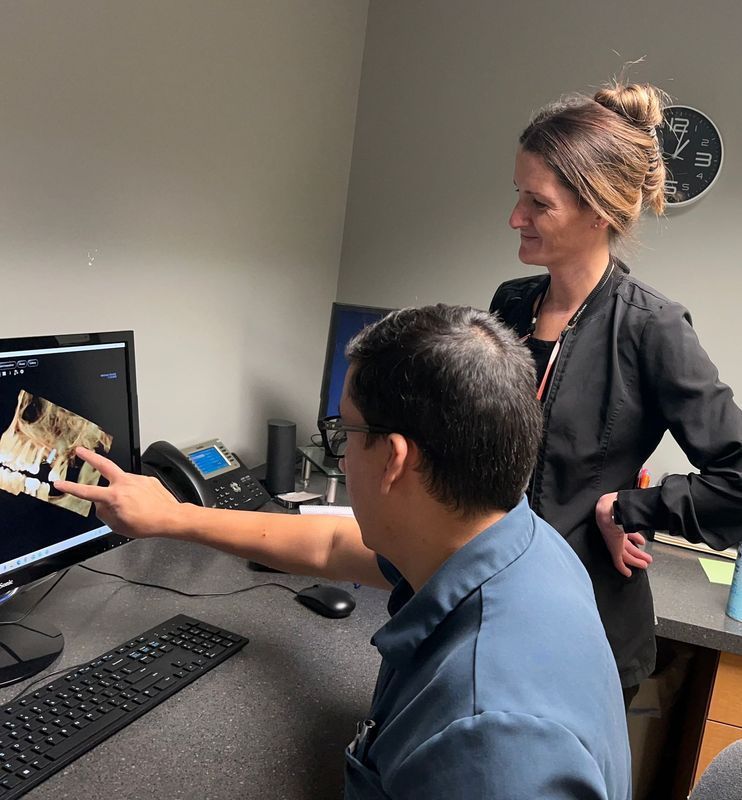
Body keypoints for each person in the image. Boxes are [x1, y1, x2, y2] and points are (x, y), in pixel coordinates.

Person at [58, 305, 631, 800]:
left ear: (394, 459)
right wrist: (175, 516)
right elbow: (331, 543)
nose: (342, 454)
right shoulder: (520, 544)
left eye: (346, 435)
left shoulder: (490, 746)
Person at [490, 80, 742, 706]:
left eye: (537, 203)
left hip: (584, 639)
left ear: (597, 210)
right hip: (489, 617)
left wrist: (627, 509)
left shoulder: (650, 327)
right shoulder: (510, 304)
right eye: (516, 195)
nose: (515, 217)